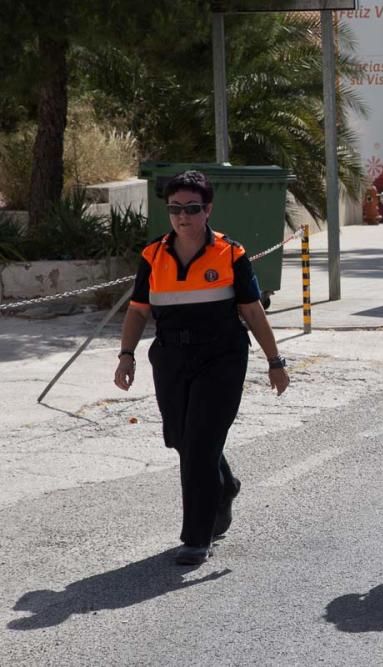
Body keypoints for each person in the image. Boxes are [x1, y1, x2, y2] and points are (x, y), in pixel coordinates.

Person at [114, 170, 290, 566]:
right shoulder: (153, 255)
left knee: (200, 444)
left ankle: (197, 536)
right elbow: (139, 309)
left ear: (208, 210)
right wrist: (126, 355)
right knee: (181, 438)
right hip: (171, 357)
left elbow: (251, 310)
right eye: (175, 209)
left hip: (222, 358)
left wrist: (274, 361)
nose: (182, 217)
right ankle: (224, 487)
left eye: (192, 209)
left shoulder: (231, 254)